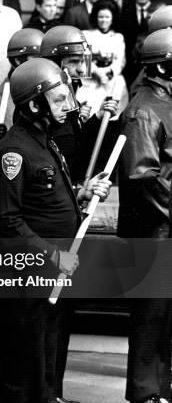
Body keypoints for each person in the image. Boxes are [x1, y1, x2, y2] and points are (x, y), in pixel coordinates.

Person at [0, 57, 111, 403]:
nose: (66, 106)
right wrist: (52, 255)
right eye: (58, 100)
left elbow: (48, 195)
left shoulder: (45, 140)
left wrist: (83, 193)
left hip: (56, 267)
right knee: (24, 352)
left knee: (49, 343)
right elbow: (8, 219)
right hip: (32, 269)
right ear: (32, 104)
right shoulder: (14, 151)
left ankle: (48, 397)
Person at [119, 28, 172, 403]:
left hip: (166, 226)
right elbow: (142, 177)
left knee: (165, 316)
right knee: (151, 316)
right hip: (153, 230)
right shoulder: (143, 109)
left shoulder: (164, 102)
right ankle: (145, 391)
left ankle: (160, 388)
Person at [40, 25, 119, 183]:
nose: (82, 70)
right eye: (75, 62)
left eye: (84, 62)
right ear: (54, 62)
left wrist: (97, 117)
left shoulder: (69, 91)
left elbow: (75, 140)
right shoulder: (42, 101)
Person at [0, 28, 45, 154]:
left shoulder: (34, 88)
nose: (43, 63)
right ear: (19, 61)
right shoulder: (3, 99)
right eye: (37, 57)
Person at [81, 0, 129, 120]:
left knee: (112, 116)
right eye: (101, 17)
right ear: (96, 17)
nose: (103, 20)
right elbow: (85, 61)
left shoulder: (118, 37)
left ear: (113, 18)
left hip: (111, 82)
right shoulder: (87, 35)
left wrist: (109, 73)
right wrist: (97, 72)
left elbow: (120, 62)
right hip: (92, 81)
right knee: (90, 115)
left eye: (107, 17)